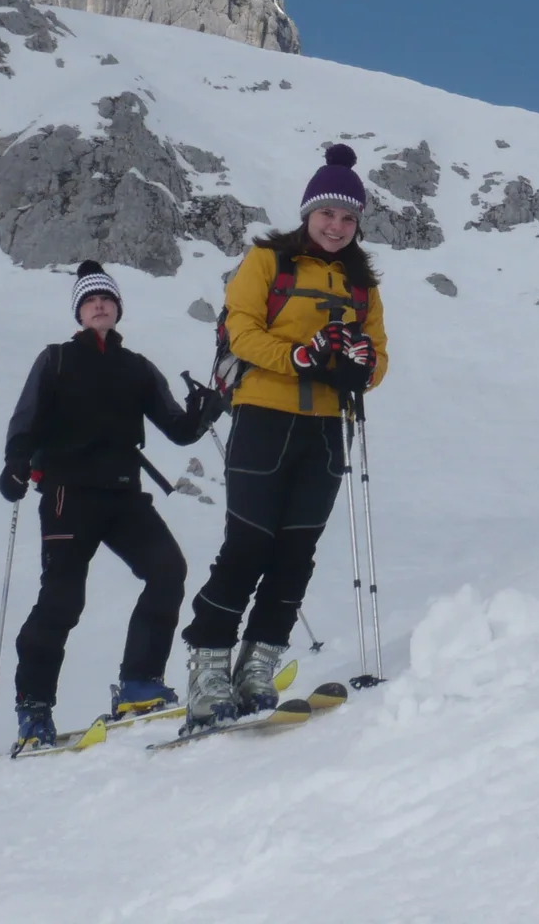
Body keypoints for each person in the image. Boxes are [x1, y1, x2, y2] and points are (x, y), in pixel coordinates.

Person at [180, 144, 389, 728]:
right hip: (263, 417)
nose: (337, 226)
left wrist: (361, 366)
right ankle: (208, 664)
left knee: (296, 552)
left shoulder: (362, 285)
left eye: (349, 218)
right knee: (248, 545)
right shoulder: (269, 260)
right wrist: (298, 356)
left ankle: (258, 663)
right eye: (328, 213)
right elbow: (241, 330)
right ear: (308, 211)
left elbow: (379, 357)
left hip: (326, 429)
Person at [0, 261, 225, 749]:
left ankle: (139, 682)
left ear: (118, 308)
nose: (99, 305)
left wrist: (206, 411)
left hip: (123, 495)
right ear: (79, 313)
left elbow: (179, 429)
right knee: (62, 601)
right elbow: (27, 418)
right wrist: (15, 464)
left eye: (106, 299)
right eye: (89, 301)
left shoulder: (138, 367)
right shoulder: (56, 359)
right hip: (66, 495)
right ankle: (33, 709)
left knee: (168, 570)